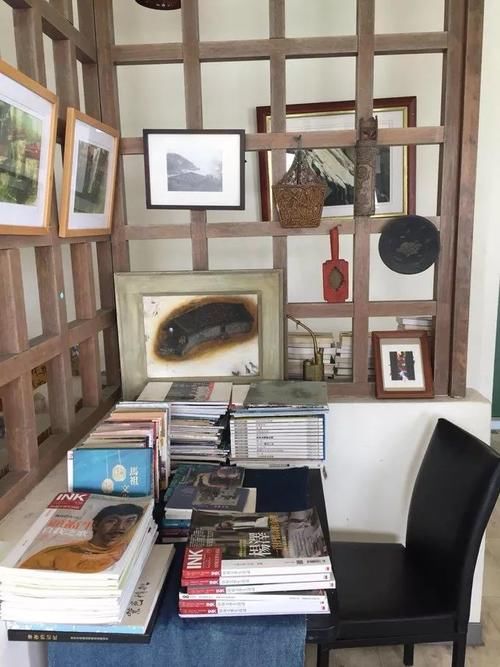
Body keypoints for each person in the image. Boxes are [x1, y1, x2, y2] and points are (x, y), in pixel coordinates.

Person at [19, 503, 144, 573]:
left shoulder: (126, 549)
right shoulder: (57, 554)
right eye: (112, 521)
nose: (120, 527)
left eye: (129, 521)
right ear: (95, 525)